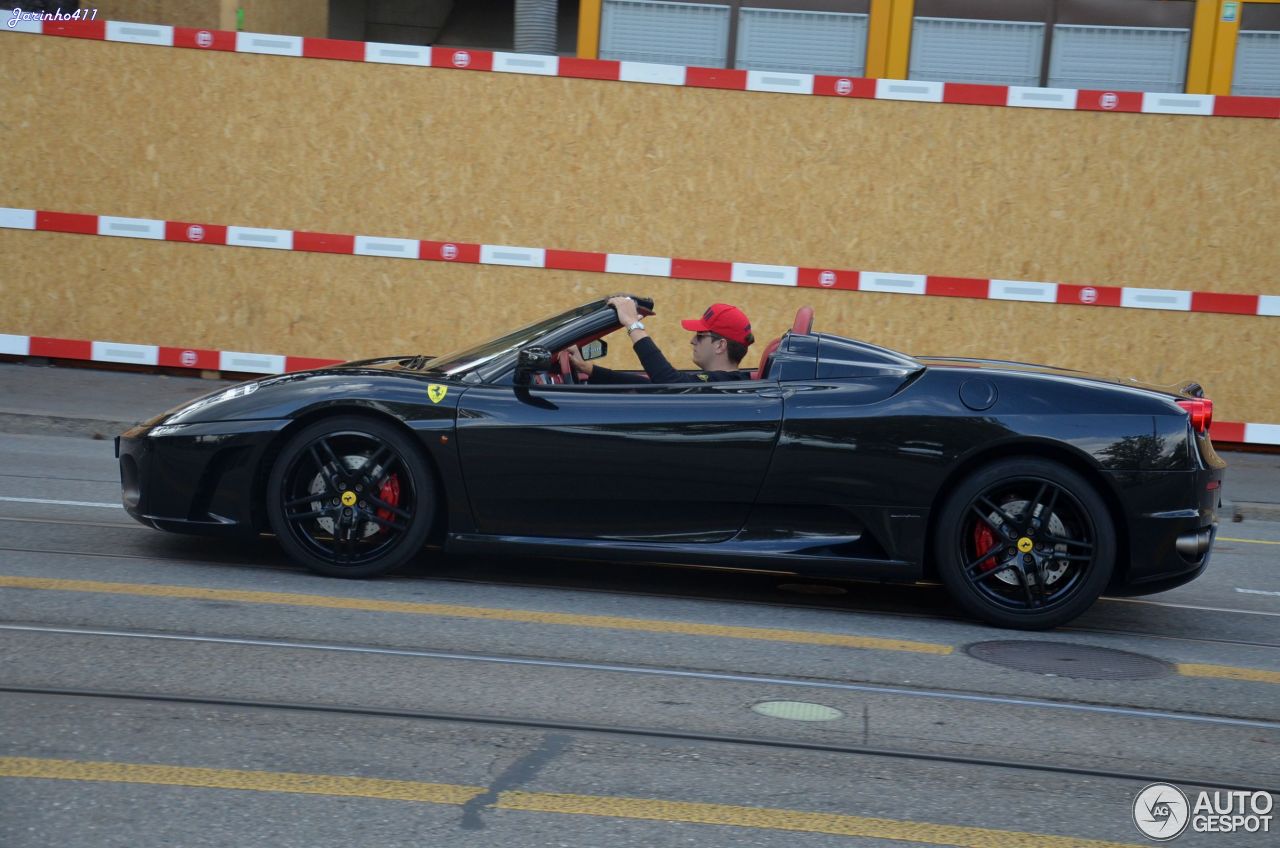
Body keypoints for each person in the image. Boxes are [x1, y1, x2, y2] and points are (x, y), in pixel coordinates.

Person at [569, 296, 754, 384]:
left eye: (700, 336)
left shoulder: (726, 385)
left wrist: (632, 324)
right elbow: (652, 384)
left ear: (720, 345)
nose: (692, 341)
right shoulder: (718, 382)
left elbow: (668, 382)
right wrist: (590, 370)